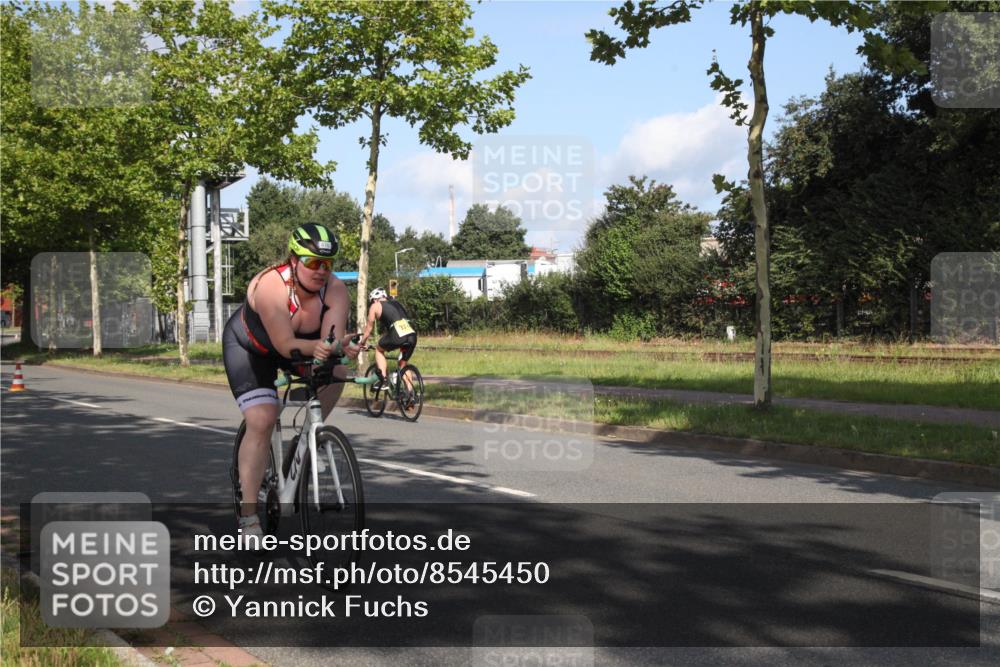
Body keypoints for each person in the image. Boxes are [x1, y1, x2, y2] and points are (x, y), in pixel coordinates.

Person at [222, 223, 359, 537]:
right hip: (251, 350)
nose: (321, 270)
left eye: (328, 263)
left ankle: (307, 439)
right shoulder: (272, 286)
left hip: (297, 349)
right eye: (313, 262)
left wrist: (342, 345)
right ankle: (248, 516)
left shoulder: (335, 289)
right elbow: (284, 344)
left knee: (336, 372)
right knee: (262, 417)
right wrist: (328, 347)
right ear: (294, 261)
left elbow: (330, 340)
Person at [359, 287, 417, 394]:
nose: (372, 303)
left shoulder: (375, 306)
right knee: (403, 365)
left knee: (379, 349)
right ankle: (410, 394)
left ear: (375, 299)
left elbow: (368, 329)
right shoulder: (397, 303)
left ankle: (384, 380)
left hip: (398, 334)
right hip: (412, 334)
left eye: (371, 301)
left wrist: (362, 343)